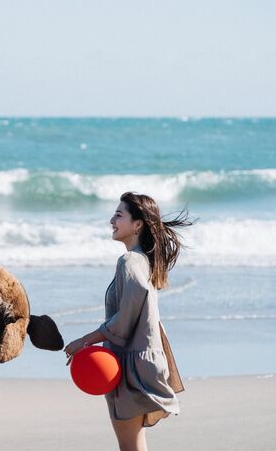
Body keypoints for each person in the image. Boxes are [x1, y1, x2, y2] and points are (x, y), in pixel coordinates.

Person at [64, 192, 194, 451]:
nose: (112, 220)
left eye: (119, 215)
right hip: (134, 362)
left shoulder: (130, 262)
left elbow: (124, 320)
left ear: (137, 225)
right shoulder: (142, 261)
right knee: (134, 444)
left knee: (129, 446)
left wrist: (84, 340)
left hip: (130, 366)